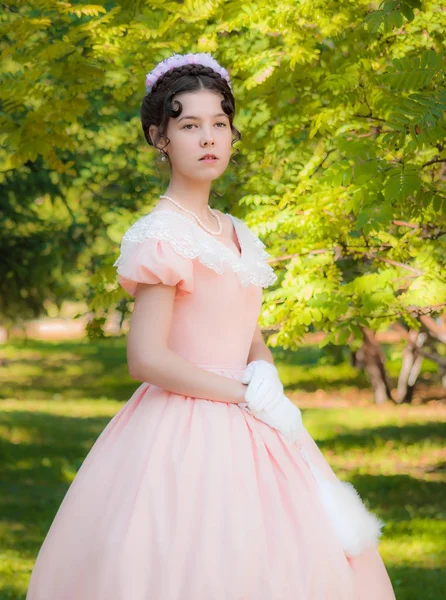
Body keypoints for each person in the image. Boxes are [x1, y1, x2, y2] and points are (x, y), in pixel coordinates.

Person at [26, 52, 396, 599]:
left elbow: (248, 333)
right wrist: (244, 394)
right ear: (160, 137)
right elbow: (146, 358)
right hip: (183, 427)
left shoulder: (236, 232)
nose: (208, 139)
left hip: (255, 417)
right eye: (190, 125)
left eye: (219, 124)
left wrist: (265, 376)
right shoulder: (162, 234)